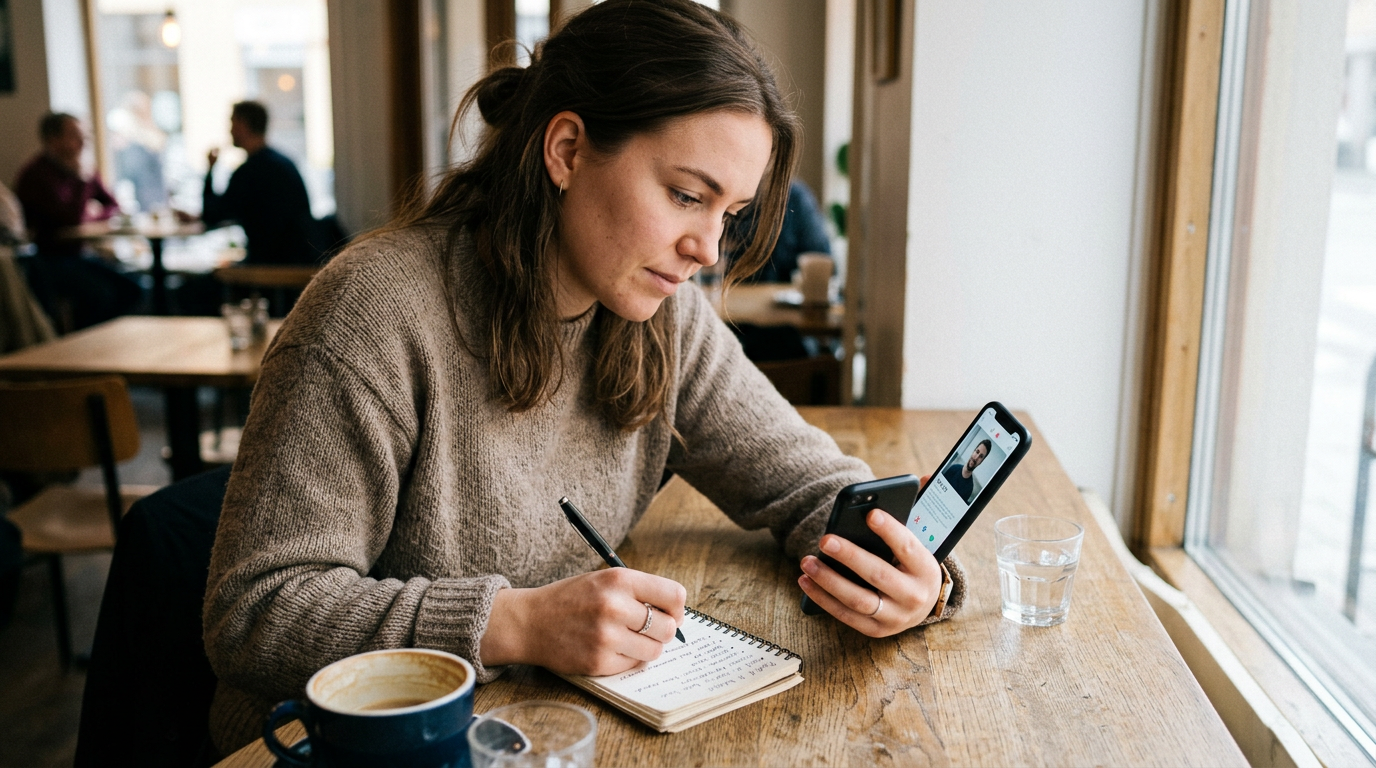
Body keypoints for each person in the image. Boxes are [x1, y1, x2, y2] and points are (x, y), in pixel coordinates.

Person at [202, 1, 966, 755]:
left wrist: (906, 576)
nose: (707, 248)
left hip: (536, 726)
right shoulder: (372, 313)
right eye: (686, 195)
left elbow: (804, 482)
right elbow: (255, 613)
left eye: (730, 214)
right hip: (344, 745)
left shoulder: (664, 315)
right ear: (566, 149)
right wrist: (519, 624)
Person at [13, 113, 141, 329]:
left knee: (134, 289)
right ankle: (85, 348)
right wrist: (81, 181)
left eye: (84, 135)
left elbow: (112, 205)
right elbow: (70, 219)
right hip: (49, 259)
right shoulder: (36, 175)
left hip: (80, 254)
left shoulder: (82, 170)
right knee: (101, 296)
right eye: (74, 135)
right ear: (52, 140)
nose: (83, 142)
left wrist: (91, 215)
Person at [200, 101, 314, 265]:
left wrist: (210, 170)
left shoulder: (250, 171)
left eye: (232, 122)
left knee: (202, 283)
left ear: (243, 126)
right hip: (298, 257)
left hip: (270, 262)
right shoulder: (283, 163)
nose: (230, 130)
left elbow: (212, 215)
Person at [942, 439, 991, 504]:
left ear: (981, 461)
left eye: (981, 456)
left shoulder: (969, 488)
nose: (976, 457)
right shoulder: (953, 468)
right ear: (973, 451)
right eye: (977, 452)